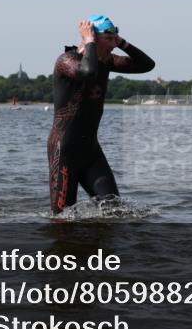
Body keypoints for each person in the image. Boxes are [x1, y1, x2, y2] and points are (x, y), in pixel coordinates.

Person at [47, 15, 154, 214]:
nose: (114, 45)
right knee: (63, 218)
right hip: (64, 150)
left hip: (90, 150)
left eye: (116, 40)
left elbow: (147, 65)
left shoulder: (107, 61)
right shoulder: (67, 61)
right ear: (93, 38)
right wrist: (89, 42)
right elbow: (88, 72)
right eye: (109, 39)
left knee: (114, 210)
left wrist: (122, 42)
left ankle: (100, 244)